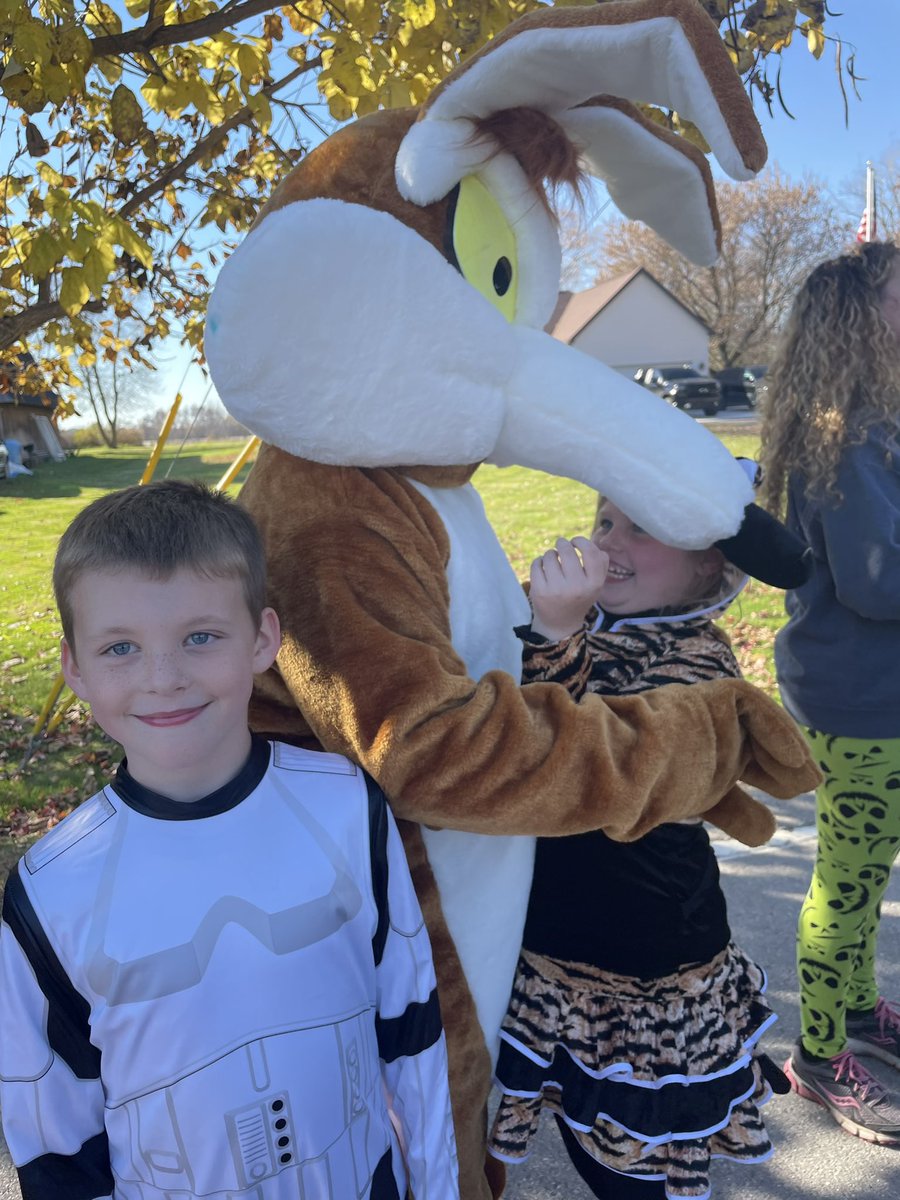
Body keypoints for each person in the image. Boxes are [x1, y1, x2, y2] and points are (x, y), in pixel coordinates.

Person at [0, 480, 459, 1200]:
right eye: (120, 647)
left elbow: (413, 1028)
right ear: (75, 669)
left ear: (263, 639)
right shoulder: (50, 889)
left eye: (200, 637)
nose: (164, 677)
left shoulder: (343, 805)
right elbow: (53, 1139)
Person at [489, 475, 808, 1199]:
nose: (608, 542)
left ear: (709, 566)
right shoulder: (595, 626)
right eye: (604, 521)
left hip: (645, 964)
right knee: (577, 1118)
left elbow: (586, 770)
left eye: (640, 529)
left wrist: (556, 637)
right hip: (559, 940)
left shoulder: (702, 669)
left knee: (636, 1156)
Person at [759, 240, 900, 1147]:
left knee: (869, 866)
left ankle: (856, 1008)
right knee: (845, 885)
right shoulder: (842, 442)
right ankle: (818, 1058)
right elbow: (879, 581)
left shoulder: (865, 430)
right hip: (859, 705)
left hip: (868, 696)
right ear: (861, 321)